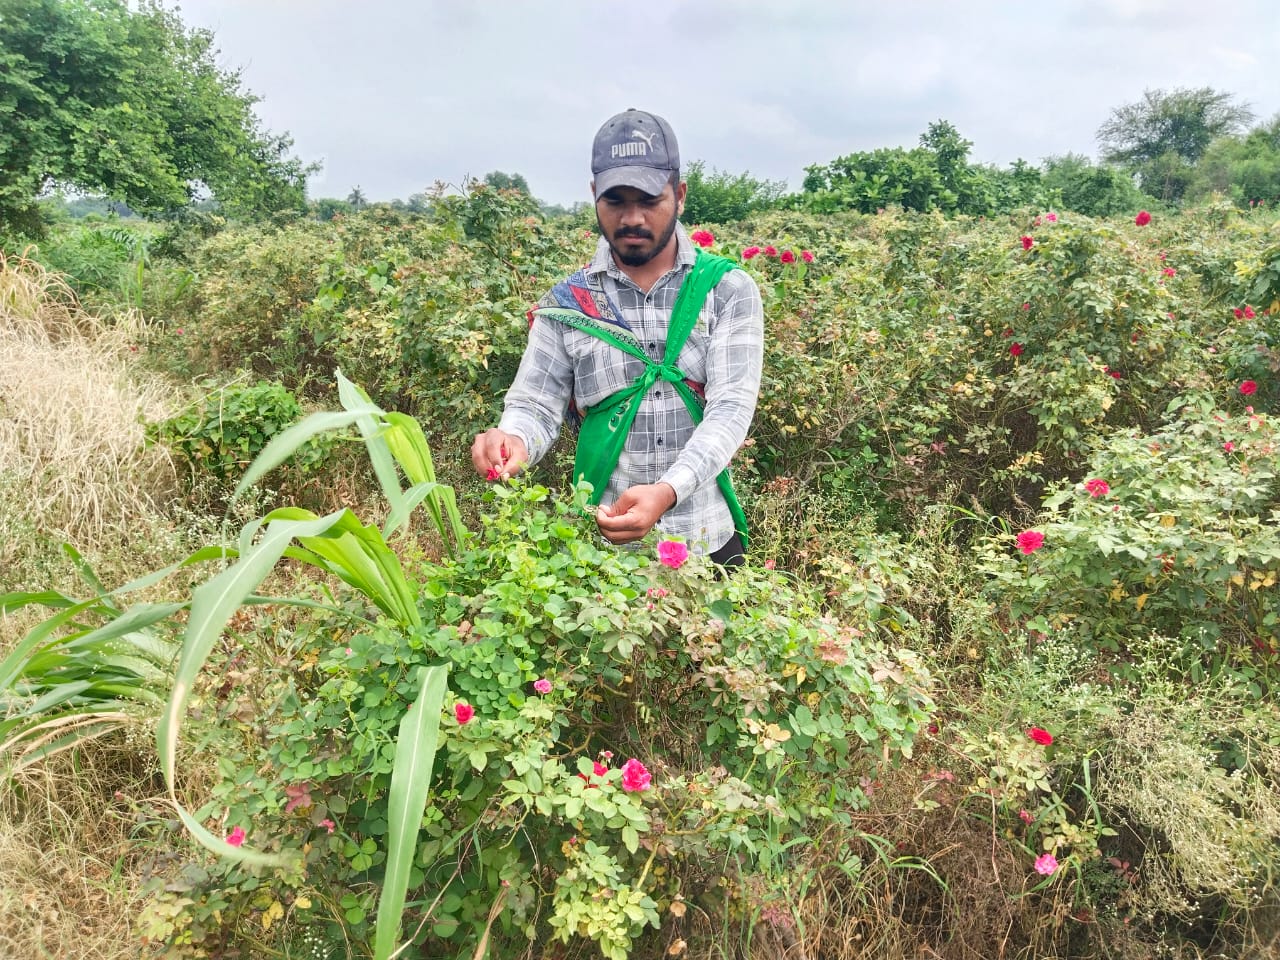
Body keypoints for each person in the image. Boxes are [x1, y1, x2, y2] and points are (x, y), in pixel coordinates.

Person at [470, 108, 763, 565]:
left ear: (680, 195)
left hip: (708, 539)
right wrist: (512, 441)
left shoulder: (726, 290)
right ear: (594, 196)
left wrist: (668, 491)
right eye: (615, 201)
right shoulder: (568, 304)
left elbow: (730, 410)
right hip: (604, 550)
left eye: (649, 200)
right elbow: (535, 403)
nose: (632, 218)